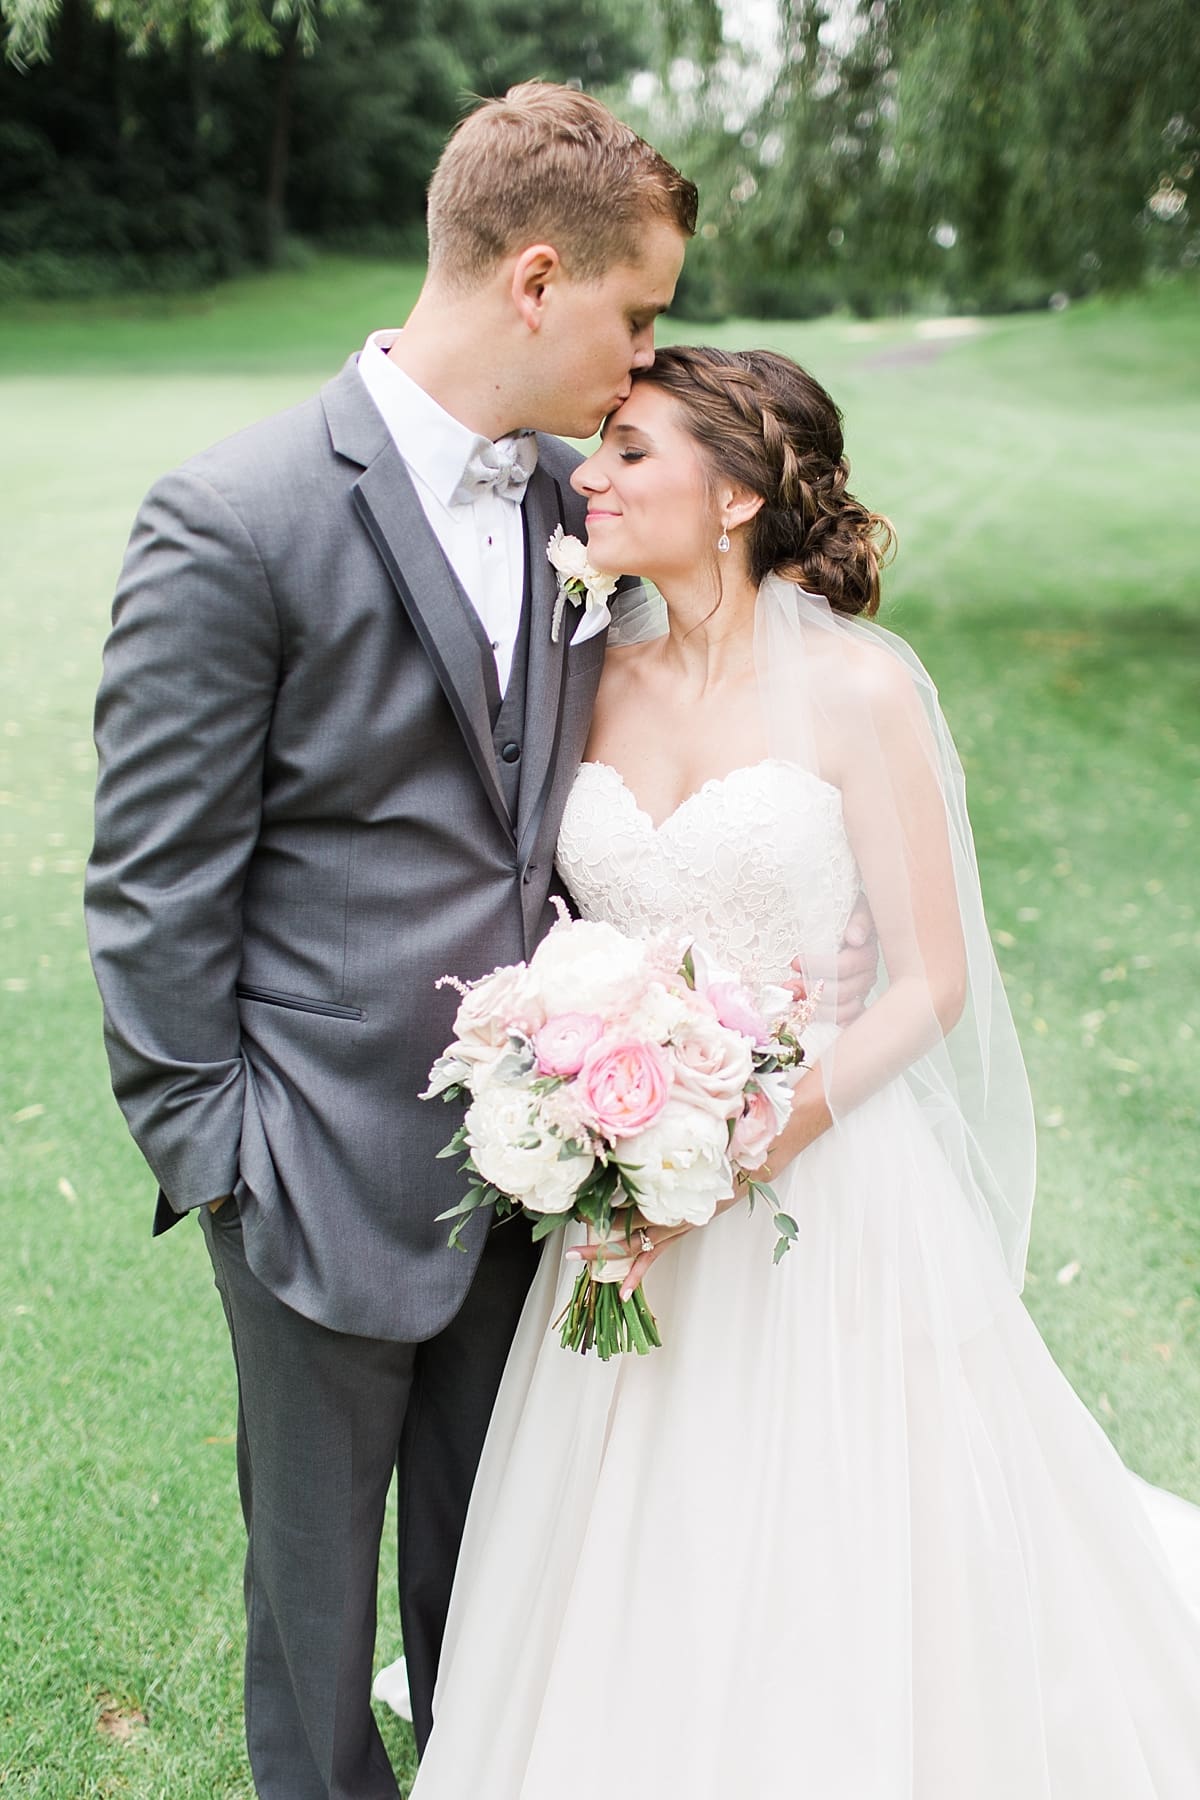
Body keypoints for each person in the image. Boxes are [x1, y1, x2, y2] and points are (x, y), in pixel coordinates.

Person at [83, 89, 876, 1797]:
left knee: (500, 1605)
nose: (648, 356)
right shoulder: (237, 519)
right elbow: (153, 889)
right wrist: (226, 1160)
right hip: (309, 1170)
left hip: (552, 1162)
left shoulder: (568, 512)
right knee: (313, 1627)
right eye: (637, 312)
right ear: (536, 280)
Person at [408, 346, 1200, 1800]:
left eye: (630, 450)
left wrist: (752, 1140)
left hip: (815, 1182)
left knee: (834, 1522)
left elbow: (930, 983)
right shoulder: (593, 677)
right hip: (623, 1187)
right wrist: (578, 1077)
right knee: (631, 1520)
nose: (589, 474)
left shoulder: (858, 694)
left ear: (734, 494)